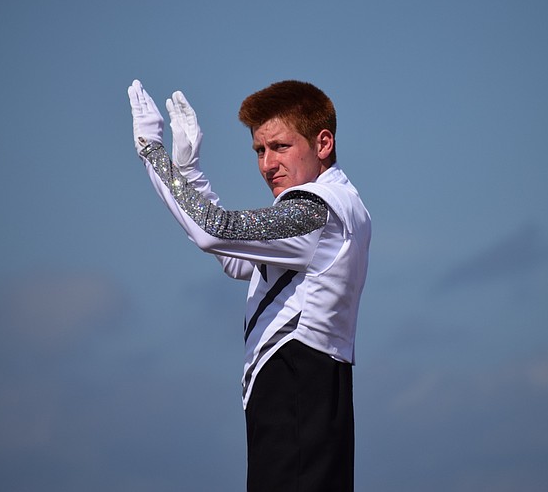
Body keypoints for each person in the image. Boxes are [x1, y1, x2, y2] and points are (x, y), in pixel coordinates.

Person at [129, 78, 371, 492]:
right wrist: (188, 171)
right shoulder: (333, 205)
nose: (266, 164)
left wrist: (152, 152)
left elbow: (214, 232)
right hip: (303, 392)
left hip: (299, 390)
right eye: (260, 150)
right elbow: (235, 257)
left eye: (280, 147)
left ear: (323, 143)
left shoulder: (317, 210)